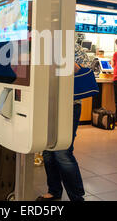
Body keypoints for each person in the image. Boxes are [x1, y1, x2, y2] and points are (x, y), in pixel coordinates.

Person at [36, 42, 89, 201]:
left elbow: (85, 68)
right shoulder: (41, 44)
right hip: (46, 104)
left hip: (68, 105)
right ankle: (54, 191)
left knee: (63, 152)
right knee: (47, 151)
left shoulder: (71, 45)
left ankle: (76, 196)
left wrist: (71, 64)